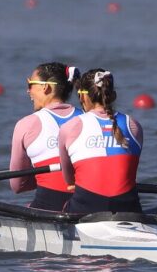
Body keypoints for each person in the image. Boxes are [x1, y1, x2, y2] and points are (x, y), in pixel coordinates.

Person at [58, 69, 143, 214]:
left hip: (86, 207)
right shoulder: (133, 125)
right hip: (127, 208)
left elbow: (69, 180)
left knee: (66, 204)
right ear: (113, 95)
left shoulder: (69, 127)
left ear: (82, 96)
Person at [9, 62, 83, 210]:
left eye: (30, 84)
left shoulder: (26, 124)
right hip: (90, 204)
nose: (28, 91)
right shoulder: (89, 117)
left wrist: (43, 177)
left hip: (50, 206)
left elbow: (17, 185)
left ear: (45, 87)